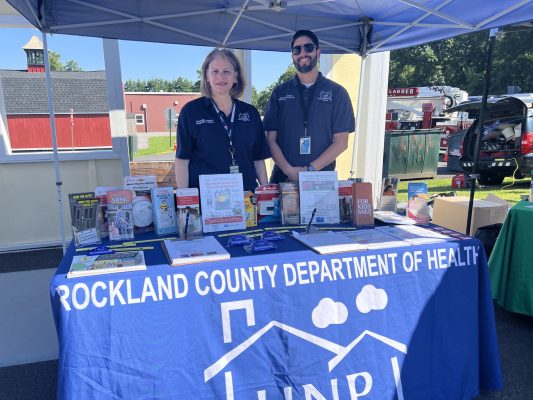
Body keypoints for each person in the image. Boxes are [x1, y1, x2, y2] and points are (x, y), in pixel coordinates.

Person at [264, 30, 355, 183]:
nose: (303, 53)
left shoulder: (337, 92)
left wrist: (309, 170)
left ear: (318, 52)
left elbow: (341, 142)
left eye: (308, 47)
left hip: (321, 180)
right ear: (292, 56)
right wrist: (289, 170)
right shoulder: (279, 92)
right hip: (283, 179)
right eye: (297, 50)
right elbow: (270, 139)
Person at [175, 49, 269, 192]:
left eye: (226, 71)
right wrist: (185, 198)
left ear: (236, 76)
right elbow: (182, 160)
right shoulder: (191, 112)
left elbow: (258, 159)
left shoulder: (250, 113)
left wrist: (265, 193)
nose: (221, 76)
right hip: (206, 199)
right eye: (215, 71)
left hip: (247, 199)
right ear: (207, 76)